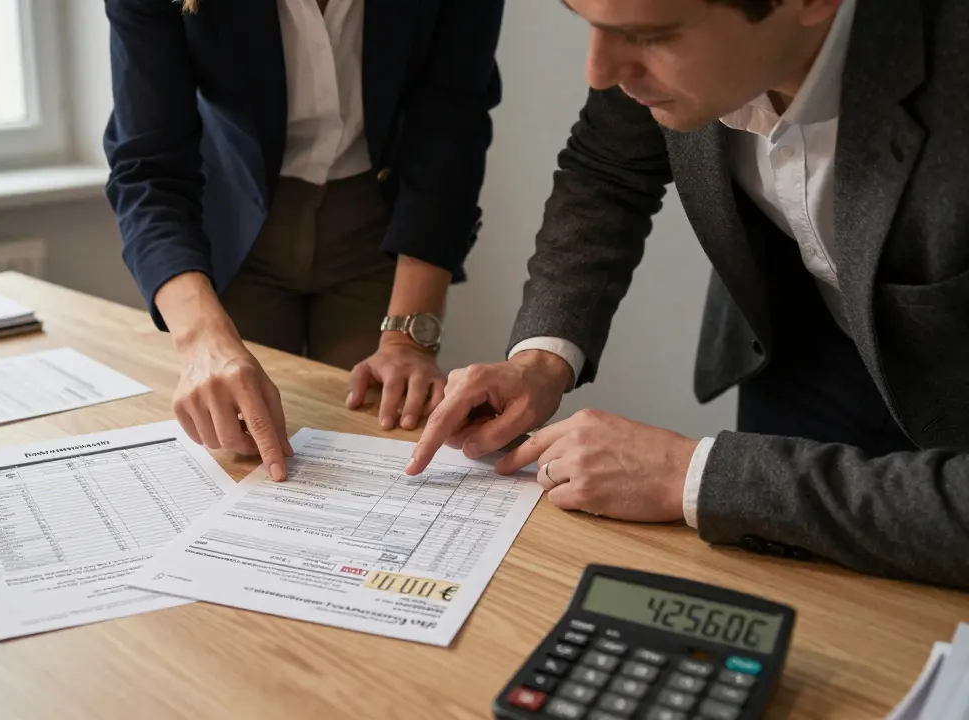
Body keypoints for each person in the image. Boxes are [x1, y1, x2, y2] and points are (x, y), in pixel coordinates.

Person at [407, 0, 969, 590]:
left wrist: (692, 475)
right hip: (799, 353)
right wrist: (541, 361)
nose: (598, 72)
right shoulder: (651, 44)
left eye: (650, 36)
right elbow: (608, 168)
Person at [102, 0, 505, 481]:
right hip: (232, 233)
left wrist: (411, 342)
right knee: (237, 453)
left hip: (382, 233)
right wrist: (200, 339)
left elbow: (451, 124)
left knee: (383, 449)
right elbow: (148, 165)